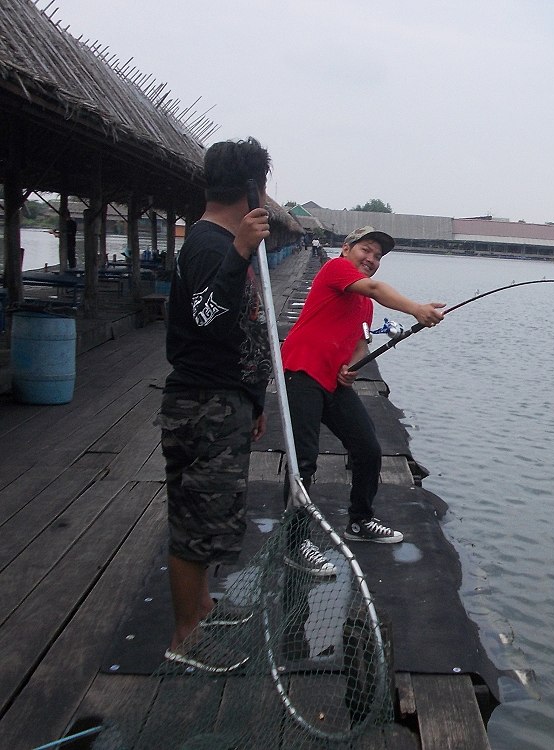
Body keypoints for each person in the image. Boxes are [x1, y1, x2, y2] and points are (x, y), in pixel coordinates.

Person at [157, 137, 326, 673]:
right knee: (196, 523)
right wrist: (236, 256)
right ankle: (186, 638)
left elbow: (232, 331)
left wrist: (252, 399)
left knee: (211, 516)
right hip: (203, 405)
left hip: (224, 401)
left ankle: (203, 607)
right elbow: (208, 315)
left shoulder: (219, 243)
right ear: (256, 188)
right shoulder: (211, 245)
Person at [282, 226, 445, 544]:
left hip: (332, 381)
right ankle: (294, 540)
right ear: (346, 249)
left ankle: (360, 522)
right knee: (303, 460)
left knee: (368, 450)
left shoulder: (364, 305)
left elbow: (359, 345)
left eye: (378, 255)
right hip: (301, 370)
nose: (371, 258)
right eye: (366, 249)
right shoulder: (335, 268)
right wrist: (416, 309)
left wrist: (351, 368)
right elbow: (374, 287)